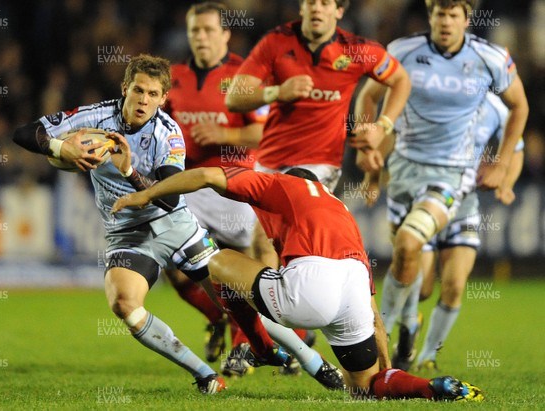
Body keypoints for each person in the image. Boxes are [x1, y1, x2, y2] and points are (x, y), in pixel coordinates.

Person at [110, 166, 484, 401]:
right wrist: (384, 367)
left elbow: (207, 175)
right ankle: (429, 388)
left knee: (218, 261)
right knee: (364, 387)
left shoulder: (278, 183)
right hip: (352, 287)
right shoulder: (340, 210)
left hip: (311, 284)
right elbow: (373, 315)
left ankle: (259, 346)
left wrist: (145, 194)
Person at [12, 53, 228, 394]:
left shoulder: (168, 133)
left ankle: (308, 358)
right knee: (124, 303)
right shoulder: (94, 117)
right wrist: (60, 147)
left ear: (163, 98)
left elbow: (169, 199)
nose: (144, 100)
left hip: (173, 223)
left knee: (235, 294)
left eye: (153, 94)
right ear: (125, 88)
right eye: (138, 90)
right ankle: (205, 375)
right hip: (126, 231)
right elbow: (24, 133)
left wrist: (128, 171)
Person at [354, 0, 529, 371]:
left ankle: (381, 341)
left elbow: (520, 107)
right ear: (430, 16)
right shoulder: (403, 50)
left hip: (453, 177)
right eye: (439, 14)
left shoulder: (490, 57)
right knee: (412, 268)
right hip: (403, 174)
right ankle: (407, 326)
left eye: (453, 15)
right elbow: (369, 94)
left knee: (413, 247)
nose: (445, 22)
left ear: (466, 19)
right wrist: (369, 148)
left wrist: (500, 168)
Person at [164, 2, 321, 379]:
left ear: (225, 33)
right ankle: (225, 320)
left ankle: (260, 343)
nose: (201, 37)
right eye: (194, 30)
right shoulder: (175, 77)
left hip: (235, 182)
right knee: (175, 264)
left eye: (208, 30)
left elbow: (266, 131)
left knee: (246, 267)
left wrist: (225, 134)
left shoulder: (242, 74)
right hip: (190, 184)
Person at [225, 0, 411, 191]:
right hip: (269, 161)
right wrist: (278, 92)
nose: (317, 8)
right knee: (268, 220)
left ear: (339, 11)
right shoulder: (275, 42)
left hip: (321, 165)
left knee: (298, 205)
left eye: (325, 3)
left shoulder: (356, 51)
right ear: (302, 7)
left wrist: (383, 126)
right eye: (311, 2)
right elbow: (234, 98)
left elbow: (401, 80)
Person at [412, 92, 525, 371]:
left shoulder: (495, 106)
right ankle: (407, 324)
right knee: (422, 288)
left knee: (455, 285)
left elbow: (517, 148)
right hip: (424, 201)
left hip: (464, 206)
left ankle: (428, 355)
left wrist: (506, 182)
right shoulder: (431, 94)